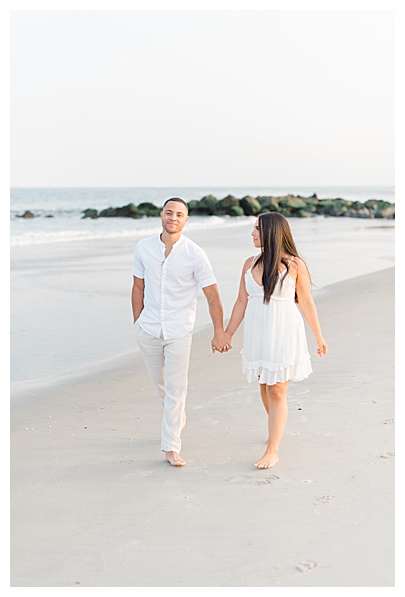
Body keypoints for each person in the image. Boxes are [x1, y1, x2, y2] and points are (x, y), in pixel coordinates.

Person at [223, 212, 327, 469]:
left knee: (277, 389)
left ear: (271, 232)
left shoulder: (295, 265)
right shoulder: (249, 263)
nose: (252, 233)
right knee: (264, 384)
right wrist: (228, 333)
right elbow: (241, 301)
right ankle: (276, 427)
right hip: (258, 332)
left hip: (284, 332)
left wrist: (318, 336)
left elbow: (306, 302)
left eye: (257, 229)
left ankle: (273, 448)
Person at [131, 197, 231, 467]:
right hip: (149, 329)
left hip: (179, 331)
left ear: (186, 220)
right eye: (168, 212)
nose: (173, 217)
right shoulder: (143, 248)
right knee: (161, 387)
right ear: (161, 215)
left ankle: (171, 446)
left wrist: (218, 332)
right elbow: (138, 287)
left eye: (179, 214)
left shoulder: (195, 254)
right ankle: (174, 423)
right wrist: (137, 322)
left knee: (177, 388)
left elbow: (212, 296)